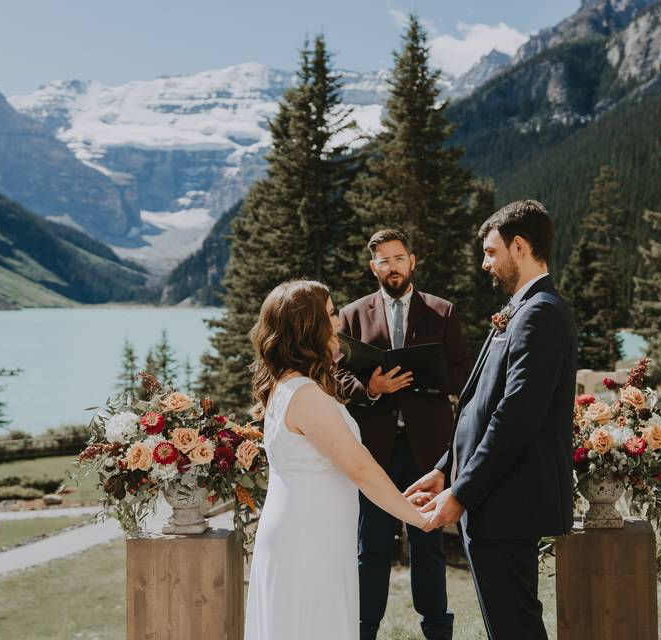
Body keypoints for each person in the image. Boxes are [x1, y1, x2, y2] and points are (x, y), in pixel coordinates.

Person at [405, 201, 578, 640]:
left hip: (508, 502)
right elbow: (480, 406)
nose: (486, 264)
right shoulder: (522, 309)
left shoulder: (539, 313)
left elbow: (515, 417)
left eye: (490, 252)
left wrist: (462, 492)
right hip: (495, 500)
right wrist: (446, 468)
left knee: (515, 627)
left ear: (518, 246)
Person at [243, 280, 435, 640]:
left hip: (310, 532)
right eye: (330, 314)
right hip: (308, 541)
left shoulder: (288, 385)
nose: (338, 322)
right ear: (309, 326)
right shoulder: (305, 395)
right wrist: (419, 519)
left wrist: (402, 500)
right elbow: (358, 467)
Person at [336, 229, 470, 640]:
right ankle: (364, 630)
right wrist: (370, 389)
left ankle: (436, 630)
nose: (392, 267)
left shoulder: (442, 312)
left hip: (427, 450)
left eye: (398, 258)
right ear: (372, 266)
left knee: (427, 543)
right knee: (371, 545)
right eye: (383, 260)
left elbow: (464, 374)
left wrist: (427, 380)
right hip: (373, 452)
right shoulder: (352, 314)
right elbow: (336, 376)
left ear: (412, 261)